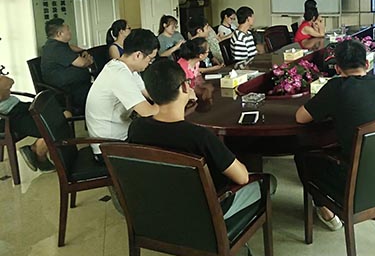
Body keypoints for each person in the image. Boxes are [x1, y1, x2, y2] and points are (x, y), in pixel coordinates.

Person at [127, 59, 276, 221]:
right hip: (205, 213)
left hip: (158, 209)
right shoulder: (199, 136)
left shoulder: (136, 128)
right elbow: (242, 178)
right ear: (184, 87)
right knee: (269, 182)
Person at [294, 40, 375, 230]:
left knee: (303, 156)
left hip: (355, 180)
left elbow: (301, 118)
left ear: (337, 68)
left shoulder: (337, 87)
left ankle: (327, 213)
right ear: (367, 64)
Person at [85, 29, 160, 160]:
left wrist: (171, 96)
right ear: (138, 55)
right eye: (150, 59)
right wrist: (176, 102)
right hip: (108, 147)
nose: (150, 63)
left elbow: (149, 93)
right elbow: (147, 112)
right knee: (163, 142)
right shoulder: (119, 74)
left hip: (120, 132)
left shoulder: (125, 67)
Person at [0, 76, 63, 172]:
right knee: (52, 126)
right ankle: (38, 153)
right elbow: (3, 91)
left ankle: (35, 149)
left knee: (64, 114)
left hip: (19, 106)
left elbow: (9, 82)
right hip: (10, 118)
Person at [41, 17, 93, 112]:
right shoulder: (56, 48)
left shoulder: (56, 44)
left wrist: (83, 51)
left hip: (75, 85)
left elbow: (70, 47)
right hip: (66, 91)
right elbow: (82, 63)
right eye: (67, 29)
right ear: (59, 34)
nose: (70, 32)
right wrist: (89, 61)